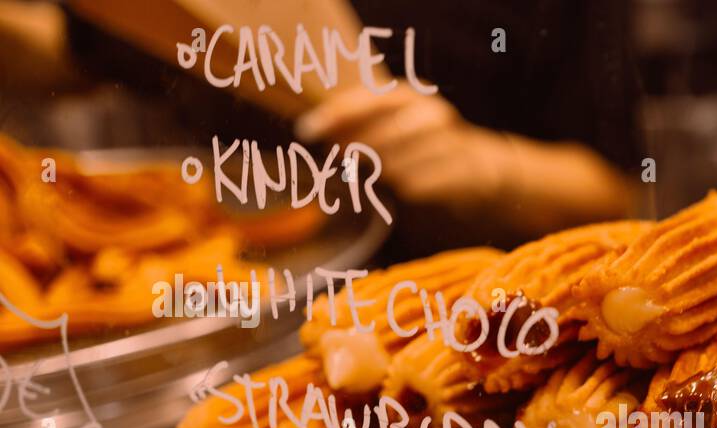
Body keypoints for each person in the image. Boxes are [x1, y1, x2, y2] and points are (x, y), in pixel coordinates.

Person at [5, 0, 640, 252]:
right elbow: (84, 48)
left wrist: (484, 165)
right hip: (221, 336)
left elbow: (624, 195)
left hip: (472, 345)